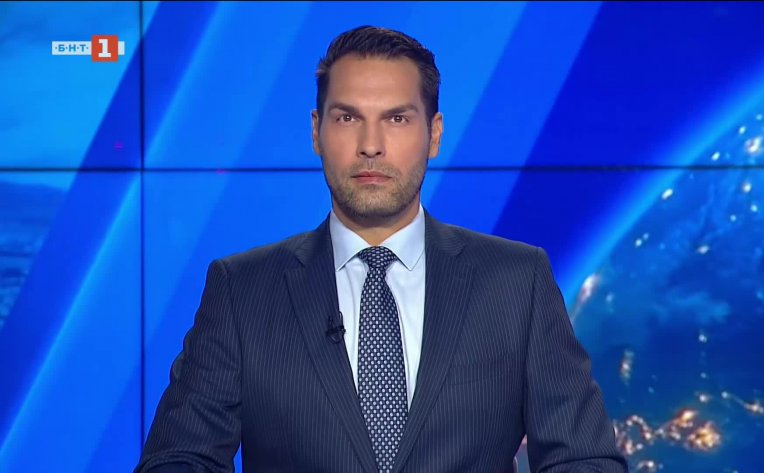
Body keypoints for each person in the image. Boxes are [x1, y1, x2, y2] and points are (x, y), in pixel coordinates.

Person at [136, 25, 628, 473]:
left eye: (396, 118)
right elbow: (179, 459)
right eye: (348, 117)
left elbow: (585, 460)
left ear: (434, 134)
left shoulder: (517, 281)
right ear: (316, 132)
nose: (370, 145)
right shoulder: (242, 290)